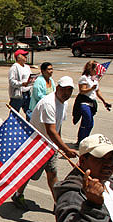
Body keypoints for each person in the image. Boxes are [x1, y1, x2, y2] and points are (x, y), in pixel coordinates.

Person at [11, 76, 78, 210]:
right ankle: (18, 194)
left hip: (50, 145)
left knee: (52, 173)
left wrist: (58, 145)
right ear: (57, 88)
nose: (67, 93)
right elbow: (51, 130)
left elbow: (58, 127)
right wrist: (65, 149)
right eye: (64, 90)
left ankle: (57, 203)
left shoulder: (64, 103)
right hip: (37, 144)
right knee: (29, 173)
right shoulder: (48, 103)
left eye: (70, 90)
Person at [73, 60, 112, 144]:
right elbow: (82, 91)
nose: (97, 70)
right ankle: (81, 140)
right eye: (96, 68)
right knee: (87, 120)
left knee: (89, 123)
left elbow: (98, 92)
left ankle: (84, 139)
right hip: (84, 102)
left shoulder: (95, 79)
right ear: (91, 69)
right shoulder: (84, 78)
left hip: (92, 103)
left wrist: (104, 102)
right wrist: (91, 88)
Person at [8, 49, 33, 120]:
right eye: (24, 55)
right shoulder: (14, 68)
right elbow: (11, 81)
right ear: (18, 57)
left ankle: (30, 128)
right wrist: (21, 84)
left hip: (27, 93)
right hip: (18, 95)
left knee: (29, 112)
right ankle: (11, 128)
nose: (26, 57)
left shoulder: (27, 67)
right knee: (14, 113)